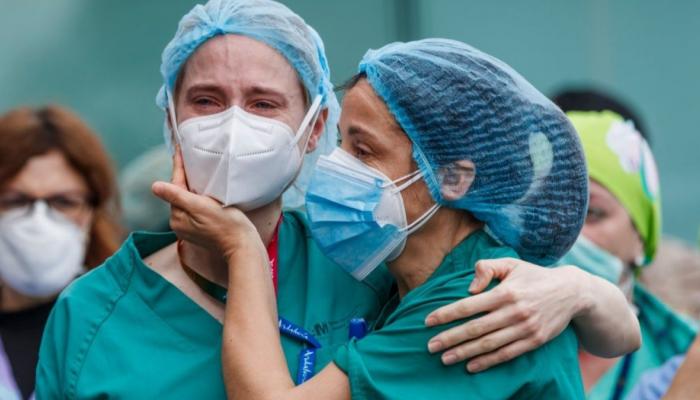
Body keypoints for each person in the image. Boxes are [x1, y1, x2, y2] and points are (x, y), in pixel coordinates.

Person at [38, 1, 638, 398]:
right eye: (205, 100)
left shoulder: (410, 280)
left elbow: (628, 319)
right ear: (170, 118)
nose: (233, 126)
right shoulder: (93, 315)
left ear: (312, 126)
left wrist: (579, 289)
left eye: (264, 103)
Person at [160, 38, 595, 399]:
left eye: (364, 151)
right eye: (342, 144)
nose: (336, 166)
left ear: (453, 179)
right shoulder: (413, 285)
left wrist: (241, 246)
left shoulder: (470, 303)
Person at [0, 105, 121, 400]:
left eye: (64, 202)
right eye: (15, 200)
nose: (38, 221)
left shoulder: (126, 328)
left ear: (92, 212)